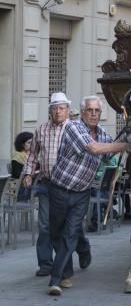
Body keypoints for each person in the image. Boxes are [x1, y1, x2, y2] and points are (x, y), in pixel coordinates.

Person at [47, 95, 131, 296]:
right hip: (59, 189)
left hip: (82, 193)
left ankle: (56, 279)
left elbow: (110, 148)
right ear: (83, 112)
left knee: (69, 234)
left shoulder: (103, 134)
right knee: (56, 233)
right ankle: (81, 251)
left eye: (97, 111)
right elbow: (94, 148)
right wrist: (124, 145)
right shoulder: (73, 128)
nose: (94, 114)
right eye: (90, 110)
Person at [22, 92, 91, 277]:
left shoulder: (76, 129)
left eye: (62, 108)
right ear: (50, 111)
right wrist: (28, 173)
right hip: (47, 183)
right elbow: (32, 155)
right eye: (55, 108)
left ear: (68, 110)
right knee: (46, 225)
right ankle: (46, 263)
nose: (58, 112)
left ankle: (83, 248)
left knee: (70, 227)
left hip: (69, 186)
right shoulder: (41, 129)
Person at [11, 131, 33, 200]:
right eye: (29, 142)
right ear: (22, 144)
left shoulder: (31, 156)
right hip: (20, 188)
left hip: (30, 185)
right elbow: (16, 175)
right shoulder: (18, 156)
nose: (32, 145)